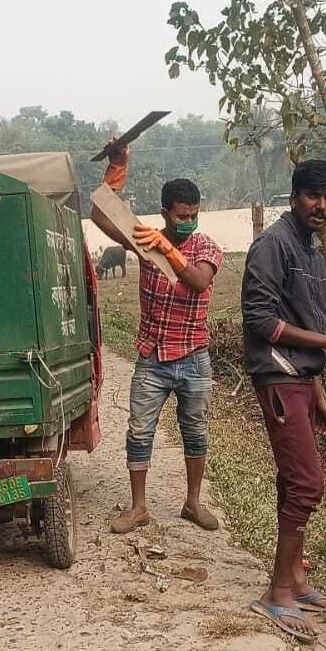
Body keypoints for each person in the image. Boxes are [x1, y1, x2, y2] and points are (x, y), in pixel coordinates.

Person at [240, 159, 326, 642]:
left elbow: (303, 316)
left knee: (294, 483)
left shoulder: (309, 247)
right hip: (278, 377)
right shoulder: (273, 245)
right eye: (314, 196)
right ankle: (275, 595)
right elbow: (261, 322)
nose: (323, 206)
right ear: (294, 197)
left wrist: (319, 389)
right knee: (307, 483)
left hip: (301, 379)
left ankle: (295, 579)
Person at [103, 140, 223, 535]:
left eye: (194, 214)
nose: (189, 220)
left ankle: (192, 503)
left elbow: (198, 281)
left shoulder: (205, 247)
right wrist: (117, 169)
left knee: (196, 430)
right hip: (153, 357)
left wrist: (168, 248)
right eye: (182, 215)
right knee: (139, 430)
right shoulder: (146, 241)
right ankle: (138, 508)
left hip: (193, 357)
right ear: (165, 213)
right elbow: (102, 215)